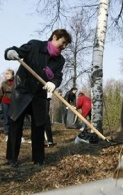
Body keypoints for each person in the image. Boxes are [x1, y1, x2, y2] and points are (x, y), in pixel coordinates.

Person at [4, 28, 72, 167]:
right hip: (22, 91)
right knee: (15, 125)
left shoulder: (60, 60)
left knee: (39, 127)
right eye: (63, 43)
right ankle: (12, 159)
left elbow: (58, 75)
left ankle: (38, 159)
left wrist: (53, 83)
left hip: (39, 95)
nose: (64, 47)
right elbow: (17, 51)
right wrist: (10, 52)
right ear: (54, 37)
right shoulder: (35, 45)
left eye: (66, 45)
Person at [0, 69, 15, 141]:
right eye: (6, 74)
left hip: (14, 103)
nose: (7, 76)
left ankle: (14, 134)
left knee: (13, 119)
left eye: (9, 74)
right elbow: (0, 94)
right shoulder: (4, 83)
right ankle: (7, 134)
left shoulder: (17, 82)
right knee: (6, 119)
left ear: (12, 75)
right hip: (5, 102)